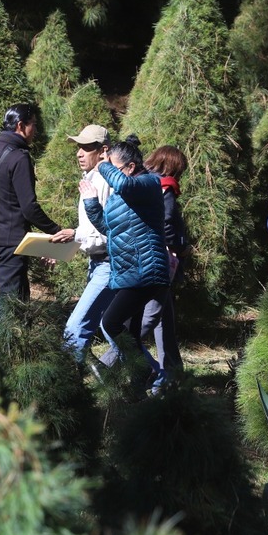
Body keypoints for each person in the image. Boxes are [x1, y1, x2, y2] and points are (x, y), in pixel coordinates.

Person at [0, 103, 74, 300]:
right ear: (21, 126)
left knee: (20, 296)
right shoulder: (19, 158)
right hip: (12, 242)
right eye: (34, 125)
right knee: (11, 301)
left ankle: (18, 330)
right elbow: (29, 208)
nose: (36, 131)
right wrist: (56, 231)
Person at [79, 137, 170, 375]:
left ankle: (146, 371)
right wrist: (91, 203)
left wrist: (102, 162)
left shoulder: (148, 183)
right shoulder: (122, 196)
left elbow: (124, 185)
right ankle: (139, 389)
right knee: (129, 333)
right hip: (130, 271)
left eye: (113, 169)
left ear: (130, 167)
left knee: (110, 322)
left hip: (145, 270)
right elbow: (109, 229)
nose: (108, 175)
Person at [136, 144, 190, 392]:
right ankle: (109, 360)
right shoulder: (165, 187)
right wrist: (176, 246)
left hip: (147, 256)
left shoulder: (144, 181)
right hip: (161, 260)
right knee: (149, 318)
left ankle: (172, 372)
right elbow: (166, 223)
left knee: (164, 321)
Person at [62, 124, 117, 362]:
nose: (78, 153)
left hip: (108, 264)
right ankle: (152, 378)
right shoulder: (91, 178)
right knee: (114, 330)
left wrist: (74, 235)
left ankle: (67, 386)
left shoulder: (104, 181)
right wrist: (66, 245)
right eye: (78, 147)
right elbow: (90, 230)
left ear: (103, 150)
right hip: (97, 264)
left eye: (85, 147)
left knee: (75, 328)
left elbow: (107, 233)